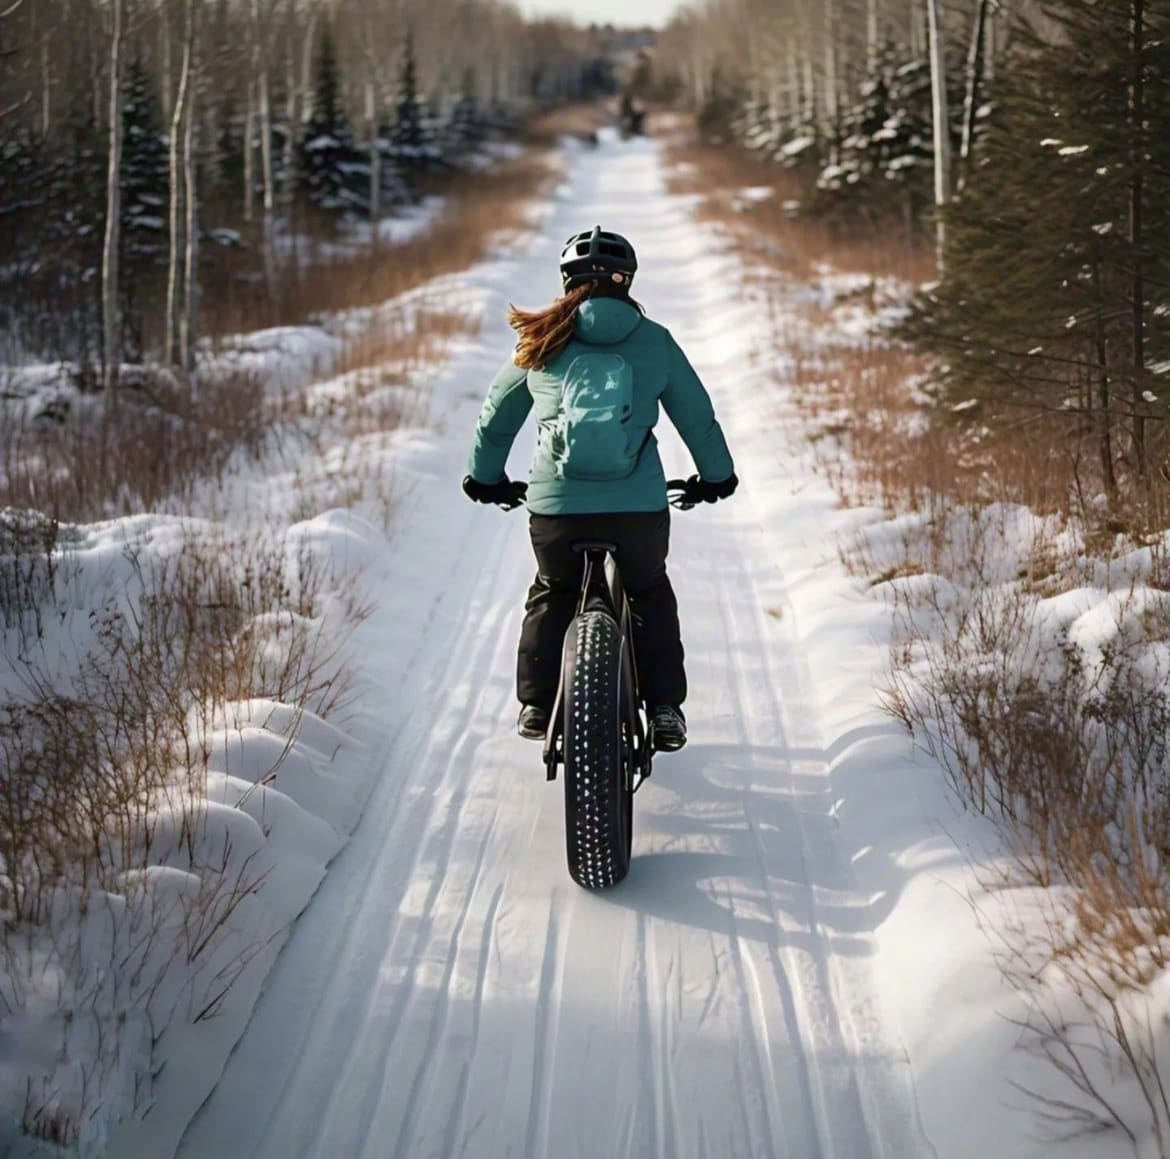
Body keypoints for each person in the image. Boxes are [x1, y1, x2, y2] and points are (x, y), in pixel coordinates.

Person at [462, 226, 737, 752]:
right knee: (648, 591)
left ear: (567, 280)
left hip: (557, 509)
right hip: (637, 508)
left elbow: (496, 419)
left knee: (553, 589)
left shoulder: (543, 338)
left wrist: (487, 479)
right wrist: (716, 477)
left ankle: (538, 706)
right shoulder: (654, 340)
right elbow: (697, 418)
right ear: (627, 280)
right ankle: (662, 709)